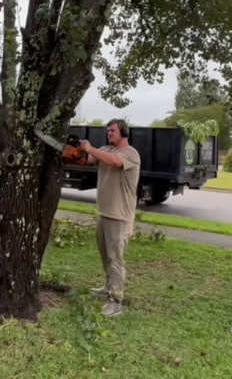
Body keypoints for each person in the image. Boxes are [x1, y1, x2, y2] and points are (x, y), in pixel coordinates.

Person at [79, 119, 141, 317]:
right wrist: (77, 151)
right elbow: (90, 160)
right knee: (106, 256)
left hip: (119, 217)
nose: (109, 133)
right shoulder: (106, 149)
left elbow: (115, 162)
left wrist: (91, 147)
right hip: (104, 213)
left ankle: (115, 301)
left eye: (113, 130)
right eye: (107, 131)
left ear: (124, 132)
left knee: (115, 260)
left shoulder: (130, 154)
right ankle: (108, 287)